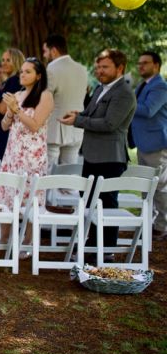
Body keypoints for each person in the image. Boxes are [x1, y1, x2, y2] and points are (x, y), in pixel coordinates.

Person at [60, 49, 136, 257]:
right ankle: (93, 244)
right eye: (98, 67)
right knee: (90, 200)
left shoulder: (123, 92)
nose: (99, 71)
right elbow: (91, 115)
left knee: (107, 203)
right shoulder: (101, 88)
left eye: (105, 67)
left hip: (110, 157)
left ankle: (107, 249)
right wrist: (78, 115)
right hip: (93, 155)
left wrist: (78, 121)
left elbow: (110, 123)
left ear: (120, 68)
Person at [0, 58, 54, 257]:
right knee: (7, 194)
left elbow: (35, 125)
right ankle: (4, 239)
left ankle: (28, 243)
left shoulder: (45, 96)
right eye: (21, 71)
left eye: (28, 71)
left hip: (32, 155)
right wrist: (10, 112)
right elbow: (4, 126)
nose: (22, 74)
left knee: (30, 198)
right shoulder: (17, 95)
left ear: (38, 75)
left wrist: (17, 109)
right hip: (13, 153)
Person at [129, 51, 167, 240]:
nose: (141, 66)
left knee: (160, 185)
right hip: (143, 142)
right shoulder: (143, 85)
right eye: (139, 63)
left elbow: (149, 110)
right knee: (147, 185)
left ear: (156, 65)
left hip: (156, 143)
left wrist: (126, 102)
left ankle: (162, 226)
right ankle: (149, 222)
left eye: (145, 63)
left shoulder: (160, 86)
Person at [42, 34, 88, 168]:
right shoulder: (82, 69)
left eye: (45, 51)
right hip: (76, 128)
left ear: (54, 50)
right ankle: (68, 190)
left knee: (48, 173)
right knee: (69, 174)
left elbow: (45, 98)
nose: (44, 55)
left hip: (54, 127)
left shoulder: (51, 69)